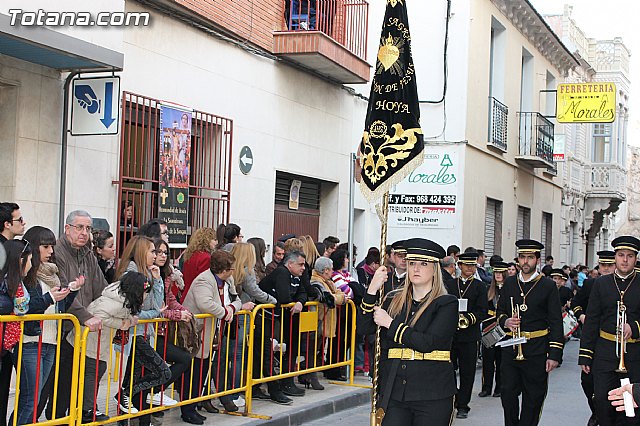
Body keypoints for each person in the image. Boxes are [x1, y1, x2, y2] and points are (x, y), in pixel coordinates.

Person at [357, 237, 458, 425]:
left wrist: (390, 324)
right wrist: (372, 290)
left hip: (432, 391)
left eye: (423, 264)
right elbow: (364, 327)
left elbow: (428, 343)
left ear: (435, 269)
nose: (416, 269)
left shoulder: (446, 303)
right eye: (412, 263)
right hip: (395, 390)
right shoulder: (393, 300)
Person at [14, 227, 83, 425]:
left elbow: (58, 310)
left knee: (35, 398)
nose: (51, 251)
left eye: (52, 246)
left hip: (50, 342)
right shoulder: (27, 275)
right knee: (30, 399)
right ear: (34, 248)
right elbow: (27, 308)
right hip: (31, 341)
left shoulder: (52, 274)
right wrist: (50, 297)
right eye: (46, 246)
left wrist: (71, 292)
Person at [45, 210, 109, 420]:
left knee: (81, 375)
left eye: (88, 228)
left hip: (82, 330)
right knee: (58, 383)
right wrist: (85, 317)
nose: (84, 233)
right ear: (67, 229)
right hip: (63, 329)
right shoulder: (57, 252)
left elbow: (101, 288)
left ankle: (77, 414)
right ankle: (57, 418)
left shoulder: (88, 254)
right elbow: (63, 290)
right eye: (79, 227)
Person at [66, 271, 153, 423]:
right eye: (145, 292)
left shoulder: (120, 297)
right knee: (94, 371)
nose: (145, 296)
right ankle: (87, 410)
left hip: (98, 339)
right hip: (91, 339)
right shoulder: (117, 301)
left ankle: (88, 407)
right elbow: (99, 314)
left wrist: (128, 320)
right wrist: (122, 324)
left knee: (96, 370)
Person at [496, 239, 564, 426]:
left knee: (534, 397)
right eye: (522, 257)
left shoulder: (548, 286)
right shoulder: (510, 283)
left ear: (537, 260)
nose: (525, 262)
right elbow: (500, 312)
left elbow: (556, 321)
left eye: (529, 258)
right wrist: (506, 321)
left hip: (536, 349)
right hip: (511, 348)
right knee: (507, 392)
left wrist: (555, 353)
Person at [181, 250, 252, 423]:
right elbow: (205, 304)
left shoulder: (228, 280)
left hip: (212, 331)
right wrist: (225, 313)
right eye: (232, 268)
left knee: (204, 369)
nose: (234, 270)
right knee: (195, 371)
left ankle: (196, 404)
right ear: (224, 269)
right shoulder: (204, 280)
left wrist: (232, 309)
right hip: (196, 332)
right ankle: (188, 409)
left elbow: (236, 299)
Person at [579, 236, 640, 426]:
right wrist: (586, 355)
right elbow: (592, 321)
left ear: (635, 259)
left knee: (630, 409)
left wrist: (635, 328)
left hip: (634, 354)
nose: (624, 260)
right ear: (615, 257)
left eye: (629, 256)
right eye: (621, 255)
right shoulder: (602, 283)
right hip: (605, 352)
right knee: (603, 403)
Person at [113, 236, 173, 424]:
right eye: (152, 251)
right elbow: (133, 312)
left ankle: (126, 401)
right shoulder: (131, 272)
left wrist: (158, 281)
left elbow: (157, 304)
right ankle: (124, 394)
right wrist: (154, 313)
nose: (155, 256)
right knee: (163, 372)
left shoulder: (148, 272)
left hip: (143, 333)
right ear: (141, 252)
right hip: (132, 334)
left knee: (133, 376)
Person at [253, 250, 308, 404]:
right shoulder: (282, 273)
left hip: (273, 318)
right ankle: (273, 391)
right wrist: (294, 300)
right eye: (300, 264)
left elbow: (303, 292)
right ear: (290, 264)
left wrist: (299, 302)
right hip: (262, 317)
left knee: (264, 354)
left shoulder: (297, 276)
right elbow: (284, 297)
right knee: (265, 354)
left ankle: (258, 388)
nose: (303, 268)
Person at [228, 242, 276, 407]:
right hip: (242, 315)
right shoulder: (245, 271)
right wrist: (273, 300)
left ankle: (229, 391)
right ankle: (234, 392)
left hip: (232, 314)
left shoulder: (230, 270)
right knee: (237, 355)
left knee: (228, 356)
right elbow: (255, 291)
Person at [573, 250, 615, 426]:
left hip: (612, 340)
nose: (605, 269)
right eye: (602, 266)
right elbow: (576, 303)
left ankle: (607, 414)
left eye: (608, 266)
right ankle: (596, 410)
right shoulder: (591, 284)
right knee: (587, 380)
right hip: (593, 338)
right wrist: (581, 315)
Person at [445, 251, 488, 419]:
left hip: (470, 335)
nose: (469, 268)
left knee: (467, 371)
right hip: (451, 334)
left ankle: (463, 405)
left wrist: (469, 319)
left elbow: (482, 310)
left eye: (472, 265)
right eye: (466, 265)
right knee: (448, 368)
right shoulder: (450, 284)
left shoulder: (479, 286)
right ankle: (453, 397)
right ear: (459, 266)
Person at [152, 238, 193, 409]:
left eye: (165, 253)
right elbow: (157, 309)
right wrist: (177, 314)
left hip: (161, 331)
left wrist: (184, 310)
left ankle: (154, 392)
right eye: (158, 252)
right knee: (181, 359)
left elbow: (169, 300)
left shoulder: (166, 274)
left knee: (183, 359)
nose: (162, 256)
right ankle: (153, 392)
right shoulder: (149, 274)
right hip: (150, 331)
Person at [0, 240, 33, 426]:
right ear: (20, 260)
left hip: (6, 346)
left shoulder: (16, 283)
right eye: (29, 259)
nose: (32, 264)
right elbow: (21, 308)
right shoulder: (7, 284)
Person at [308, 256, 346, 390]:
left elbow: (340, 293)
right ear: (325, 270)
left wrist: (339, 297)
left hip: (324, 320)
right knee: (312, 350)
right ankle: (310, 376)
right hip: (317, 320)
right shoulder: (316, 282)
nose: (332, 272)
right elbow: (330, 297)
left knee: (316, 348)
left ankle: (308, 375)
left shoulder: (327, 282)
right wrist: (339, 298)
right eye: (331, 270)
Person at [479, 261, 508, 399]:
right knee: (488, 360)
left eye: (500, 273)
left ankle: (499, 387)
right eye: (496, 273)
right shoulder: (488, 290)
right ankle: (486, 387)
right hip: (489, 327)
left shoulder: (509, 290)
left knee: (501, 361)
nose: (498, 275)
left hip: (503, 329)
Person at [181, 227, 217, 302]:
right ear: (206, 240)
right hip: (197, 298)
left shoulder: (190, 255)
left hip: (186, 295)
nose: (216, 242)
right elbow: (203, 281)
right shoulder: (206, 258)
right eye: (214, 239)